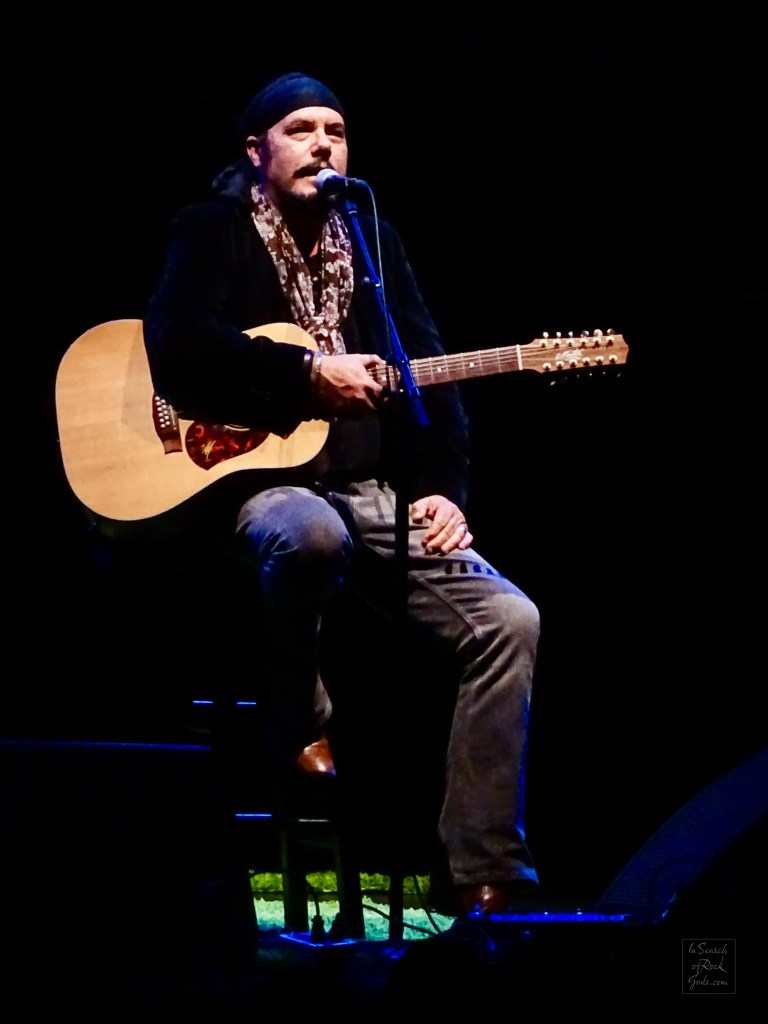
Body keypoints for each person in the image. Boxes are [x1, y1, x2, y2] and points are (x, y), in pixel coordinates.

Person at [143, 71, 541, 918]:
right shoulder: (210, 230)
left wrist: (441, 489)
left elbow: (431, 376)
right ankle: (295, 724)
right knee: (310, 533)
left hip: (363, 483)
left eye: (337, 129)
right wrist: (304, 371)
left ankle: (487, 872)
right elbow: (177, 345)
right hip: (252, 485)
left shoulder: (373, 243)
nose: (324, 142)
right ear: (257, 153)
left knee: (511, 619)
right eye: (301, 129)